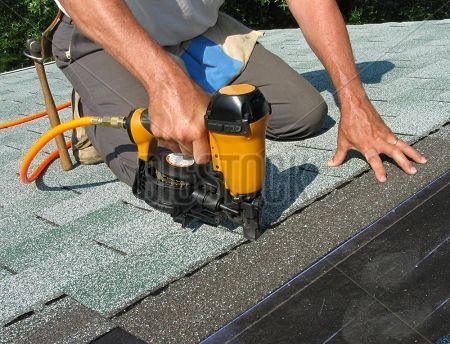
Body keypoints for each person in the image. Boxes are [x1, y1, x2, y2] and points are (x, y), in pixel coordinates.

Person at [52, 0, 427, 187]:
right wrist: (165, 84)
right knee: (170, 178)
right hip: (105, 34)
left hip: (195, 33)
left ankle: (184, 78)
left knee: (304, 115)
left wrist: (354, 101)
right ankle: (94, 98)